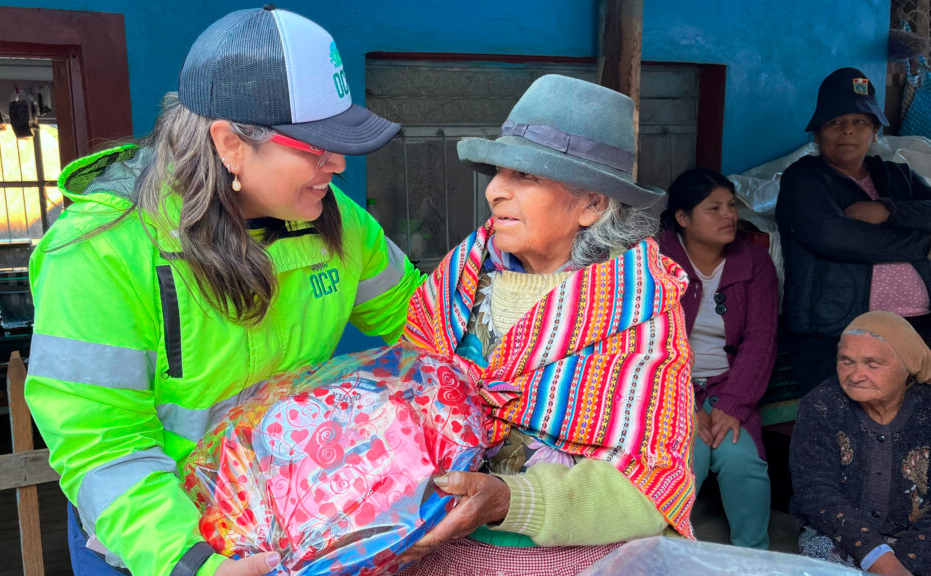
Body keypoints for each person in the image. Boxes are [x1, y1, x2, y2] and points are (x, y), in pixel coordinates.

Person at [24, 7, 422, 576]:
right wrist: (192, 561)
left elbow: (424, 325)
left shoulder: (343, 224)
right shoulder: (101, 250)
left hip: (290, 518)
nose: (337, 164)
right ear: (230, 143)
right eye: (314, 147)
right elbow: (101, 444)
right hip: (154, 541)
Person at [398, 74, 695, 575]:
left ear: (593, 204)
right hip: (429, 550)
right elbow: (402, 403)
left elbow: (650, 487)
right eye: (498, 172)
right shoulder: (458, 280)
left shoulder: (638, 312)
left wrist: (507, 501)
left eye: (525, 177)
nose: (494, 191)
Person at [776, 67, 931, 395]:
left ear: (874, 131)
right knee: (847, 438)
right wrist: (924, 245)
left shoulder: (897, 177)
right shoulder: (803, 180)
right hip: (838, 336)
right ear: (818, 135)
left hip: (918, 331)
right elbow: (836, 237)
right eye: (835, 123)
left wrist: (889, 210)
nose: (848, 131)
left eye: (860, 122)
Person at [659, 169, 778, 549]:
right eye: (714, 208)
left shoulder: (755, 261)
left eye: (730, 205)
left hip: (730, 386)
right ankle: (667, 553)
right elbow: (648, 343)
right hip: (669, 389)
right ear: (683, 217)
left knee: (742, 461)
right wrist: (685, 407)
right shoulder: (655, 260)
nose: (728, 215)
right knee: (685, 460)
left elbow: (761, 341)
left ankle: (752, 559)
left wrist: (733, 405)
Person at [790, 311, 931, 576]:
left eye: (872, 364)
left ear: (907, 365)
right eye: (846, 361)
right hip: (837, 532)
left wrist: (904, 562)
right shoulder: (821, 405)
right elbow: (816, 492)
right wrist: (878, 557)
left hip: (920, 539)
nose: (855, 376)